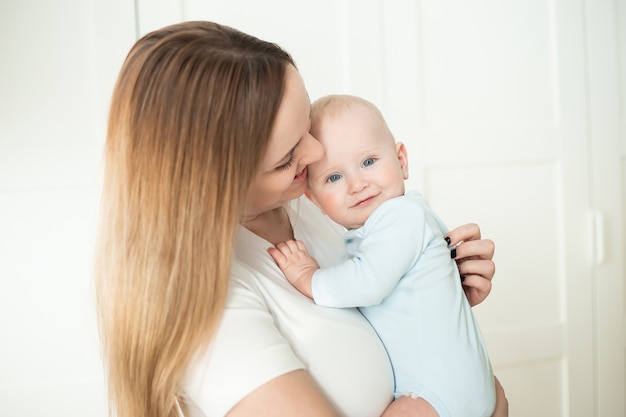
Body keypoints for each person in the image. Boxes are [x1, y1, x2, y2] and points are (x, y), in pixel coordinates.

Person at [94, 21, 508, 417]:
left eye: (307, 125)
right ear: (218, 185)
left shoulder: (314, 202)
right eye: (287, 157)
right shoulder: (209, 307)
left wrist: (431, 288)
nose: (315, 155)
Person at [269, 94, 496, 417]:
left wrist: (310, 277)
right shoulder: (394, 222)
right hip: (444, 385)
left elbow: (366, 283)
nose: (357, 184)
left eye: (368, 162)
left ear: (401, 160)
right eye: (334, 177)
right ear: (314, 200)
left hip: (438, 389)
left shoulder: (400, 217)